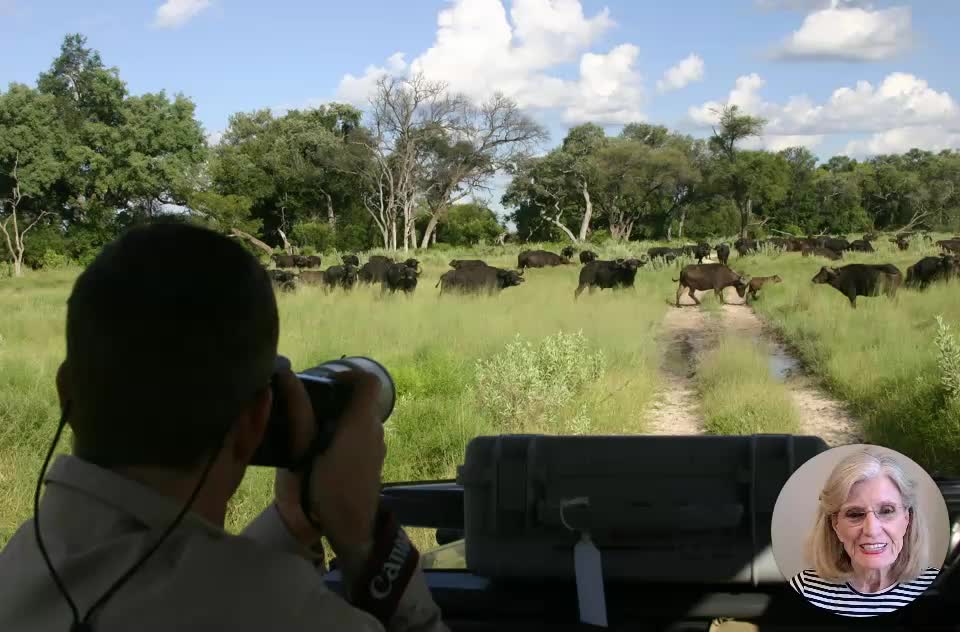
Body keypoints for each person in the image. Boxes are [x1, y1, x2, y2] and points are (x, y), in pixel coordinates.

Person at [0, 222, 449, 632]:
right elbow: (223, 592)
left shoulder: (22, 559)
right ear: (256, 418)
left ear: (66, 393)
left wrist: (292, 523)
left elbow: (178, 574)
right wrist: (365, 536)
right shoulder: (283, 611)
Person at [789, 447, 940, 617]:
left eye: (887, 511)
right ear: (835, 525)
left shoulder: (940, 586)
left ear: (907, 519)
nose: (872, 530)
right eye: (854, 514)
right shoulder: (803, 588)